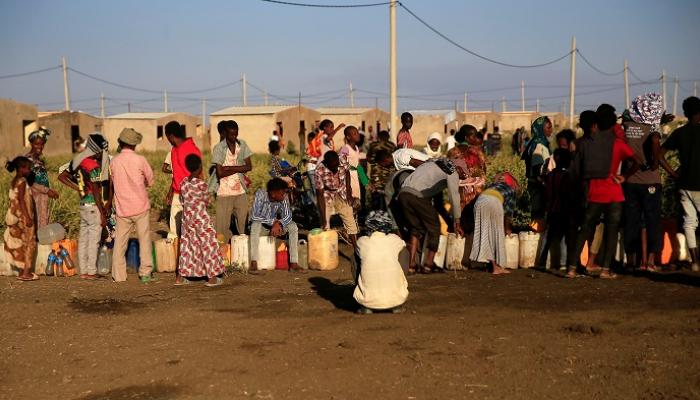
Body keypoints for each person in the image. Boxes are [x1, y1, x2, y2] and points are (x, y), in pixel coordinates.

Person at [567, 105, 638, 279]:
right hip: (614, 191)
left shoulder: (586, 143)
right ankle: (606, 270)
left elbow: (575, 170)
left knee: (585, 229)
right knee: (611, 231)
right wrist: (624, 177)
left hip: (594, 191)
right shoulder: (618, 143)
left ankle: (571, 268)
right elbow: (636, 161)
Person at [622, 93, 671, 272]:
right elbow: (655, 140)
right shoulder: (653, 126)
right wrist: (655, 163)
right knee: (653, 222)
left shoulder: (626, 125)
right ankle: (650, 261)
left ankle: (632, 262)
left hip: (630, 180)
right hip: (650, 181)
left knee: (631, 221)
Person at [398, 158, 465, 274]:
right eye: (463, 174)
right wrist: (457, 221)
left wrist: (450, 222)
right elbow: (454, 197)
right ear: (458, 168)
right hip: (416, 196)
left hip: (403, 194)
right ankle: (429, 265)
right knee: (434, 226)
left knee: (416, 229)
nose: (463, 177)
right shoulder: (452, 171)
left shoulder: (433, 164)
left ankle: (412, 265)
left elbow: (438, 205)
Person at [60, 133, 111, 280]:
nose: (103, 154)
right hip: (93, 206)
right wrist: (102, 213)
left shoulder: (78, 160)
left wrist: (79, 188)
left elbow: (62, 176)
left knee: (83, 239)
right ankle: (91, 272)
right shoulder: (93, 166)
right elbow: (96, 191)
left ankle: (83, 271)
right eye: (102, 150)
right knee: (93, 240)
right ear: (96, 149)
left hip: (83, 204)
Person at [109, 128, 155, 283]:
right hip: (141, 206)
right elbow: (150, 180)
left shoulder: (114, 161)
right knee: (144, 240)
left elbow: (112, 184)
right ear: (134, 144)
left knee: (120, 244)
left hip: (123, 208)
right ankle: (145, 273)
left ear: (121, 143)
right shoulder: (140, 160)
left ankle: (119, 275)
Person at [661, 96, 700, 271]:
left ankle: (695, 261)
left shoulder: (679, 133)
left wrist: (672, 173)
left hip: (684, 183)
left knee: (689, 222)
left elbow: (660, 154)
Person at [176, 154, 225, 287]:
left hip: (187, 220)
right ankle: (212, 278)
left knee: (187, 246)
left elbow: (182, 201)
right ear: (199, 167)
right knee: (208, 246)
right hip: (201, 219)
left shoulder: (184, 183)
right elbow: (207, 202)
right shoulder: (201, 184)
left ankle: (180, 278)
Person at [354, 211, 408, 315]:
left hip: (367, 302)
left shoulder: (361, 241)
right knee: (404, 252)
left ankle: (365, 305)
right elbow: (403, 244)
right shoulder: (394, 239)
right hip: (396, 300)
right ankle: (396, 302)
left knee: (355, 256)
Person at [208, 120, 252, 240]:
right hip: (224, 193)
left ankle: (242, 254)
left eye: (235, 134)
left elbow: (249, 166)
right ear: (225, 134)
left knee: (243, 228)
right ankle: (224, 256)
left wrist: (230, 167)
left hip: (240, 192)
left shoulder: (242, 145)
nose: (234, 137)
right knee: (222, 231)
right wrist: (239, 169)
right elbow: (220, 173)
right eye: (231, 134)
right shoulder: (219, 148)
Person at [249, 178, 304, 273]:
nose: (285, 195)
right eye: (282, 193)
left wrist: (278, 223)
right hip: (262, 228)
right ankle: (254, 262)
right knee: (255, 225)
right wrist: (273, 222)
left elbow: (288, 216)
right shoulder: (260, 194)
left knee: (293, 226)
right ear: (273, 193)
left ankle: (294, 263)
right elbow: (255, 216)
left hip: (276, 227)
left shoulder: (283, 197)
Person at [470, 172, 519, 275]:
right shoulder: (512, 190)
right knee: (497, 235)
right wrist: (507, 228)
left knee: (486, 234)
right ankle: (497, 268)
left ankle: (492, 266)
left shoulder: (492, 186)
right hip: (493, 202)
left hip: (479, 203)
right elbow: (508, 214)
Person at [314, 151, 358, 247]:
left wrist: (349, 193)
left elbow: (347, 173)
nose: (336, 168)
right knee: (325, 226)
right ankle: (328, 249)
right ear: (327, 163)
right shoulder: (318, 171)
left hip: (341, 192)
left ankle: (356, 248)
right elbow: (320, 195)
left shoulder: (342, 159)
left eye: (337, 165)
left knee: (349, 218)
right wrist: (324, 218)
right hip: (327, 195)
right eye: (333, 166)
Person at [165, 121, 201, 239]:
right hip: (177, 193)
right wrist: (171, 190)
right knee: (174, 230)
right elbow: (177, 173)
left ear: (170, 136)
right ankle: (173, 254)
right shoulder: (174, 150)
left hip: (190, 193)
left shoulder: (190, 148)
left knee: (190, 228)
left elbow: (198, 170)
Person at [3, 156, 38, 281]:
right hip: (23, 217)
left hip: (15, 216)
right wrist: (27, 217)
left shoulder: (15, 180)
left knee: (22, 244)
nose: (29, 171)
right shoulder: (22, 181)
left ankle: (22, 271)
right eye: (28, 168)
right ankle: (26, 272)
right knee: (30, 243)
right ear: (21, 169)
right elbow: (22, 201)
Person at [541, 149, 576, 270]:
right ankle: (563, 262)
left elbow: (547, 193)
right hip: (564, 210)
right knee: (565, 238)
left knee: (547, 237)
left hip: (551, 210)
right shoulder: (568, 176)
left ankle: (542, 261)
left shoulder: (550, 175)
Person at [522, 116, 553, 229]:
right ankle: (536, 240)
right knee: (537, 214)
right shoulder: (539, 144)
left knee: (537, 214)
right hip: (538, 185)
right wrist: (544, 183)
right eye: (548, 127)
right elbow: (537, 168)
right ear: (540, 128)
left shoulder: (535, 142)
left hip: (535, 184)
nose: (551, 130)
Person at [26, 128, 59, 228]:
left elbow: (41, 179)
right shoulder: (28, 160)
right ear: (31, 144)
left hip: (42, 197)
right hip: (33, 197)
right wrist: (47, 190)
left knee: (43, 221)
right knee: (35, 221)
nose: (40, 147)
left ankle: (41, 241)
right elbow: (29, 181)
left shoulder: (39, 161)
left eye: (42, 144)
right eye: (37, 144)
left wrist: (49, 191)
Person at [366, 130, 396, 209]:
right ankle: (386, 212)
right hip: (389, 173)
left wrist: (374, 161)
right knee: (388, 193)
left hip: (376, 172)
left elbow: (368, 158)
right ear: (388, 137)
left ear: (378, 137)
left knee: (375, 192)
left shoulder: (373, 145)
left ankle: (376, 211)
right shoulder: (391, 145)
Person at [338, 125, 365, 205]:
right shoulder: (345, 148)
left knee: (357, 200)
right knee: (351, 200)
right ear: (348, 137)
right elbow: (341, 162)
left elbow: (358, 165)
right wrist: (351, 169)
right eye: (354, 134)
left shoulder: (356, 148)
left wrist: (365, 181)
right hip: (349, 177)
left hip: (355, 177)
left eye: (357, 133)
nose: (358, 135)